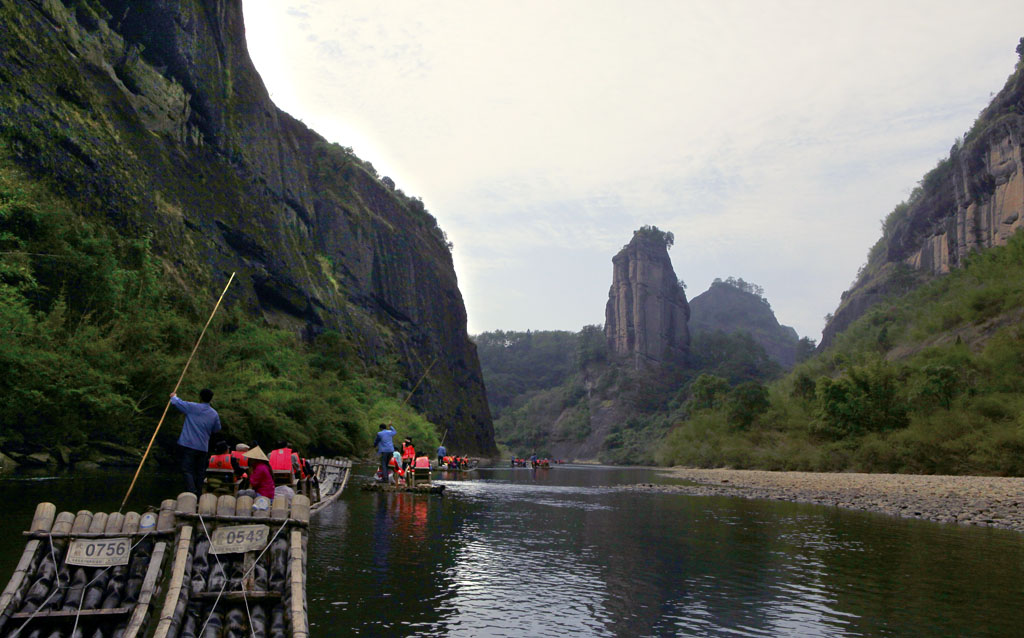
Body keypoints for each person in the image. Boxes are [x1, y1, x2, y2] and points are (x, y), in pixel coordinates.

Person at [171, 389, 221, 495]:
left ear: (200, 397)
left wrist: (173, 396)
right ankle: (197, 494)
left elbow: (176, 402)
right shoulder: (214, 414)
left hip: (188, 444)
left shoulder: (192, 407)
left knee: (186, 469)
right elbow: (216, 429)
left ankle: (191, 491)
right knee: (200, 472)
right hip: (203, 447)